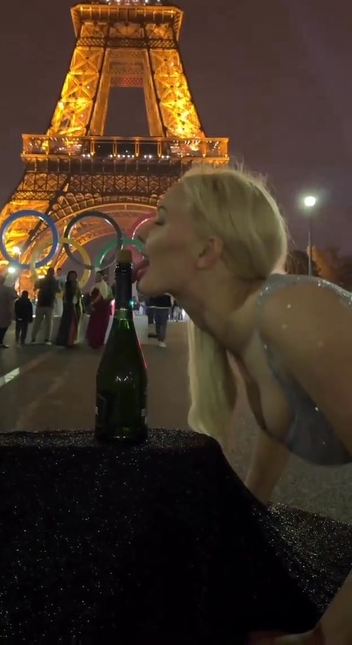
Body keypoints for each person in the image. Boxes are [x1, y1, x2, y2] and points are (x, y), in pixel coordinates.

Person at [135, 164, 352, 645]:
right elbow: (282, 427)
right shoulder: (235, 331)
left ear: (206, 250)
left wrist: (322, 638)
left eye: (161, 219)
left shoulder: (291, 314)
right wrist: (243, 525)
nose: (143, 230)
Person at [31, 267, 60, 345]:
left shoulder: (42, 281)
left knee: (38, 322)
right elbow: (59, 290)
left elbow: (35, 287)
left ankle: (34, 338)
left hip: (42, 303)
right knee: (48, 323)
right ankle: (46, 339)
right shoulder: (54, 281)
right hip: (49, 304)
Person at [85, 271, 111, 349]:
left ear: (102, 277)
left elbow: (100, 296)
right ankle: (92, 341)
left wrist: (92, 303)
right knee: (93, 324)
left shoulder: (103, 284)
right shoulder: (96, 285)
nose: (97, 277)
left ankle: (97, 342)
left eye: (99, 276)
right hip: (95, 306)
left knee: (98, 324)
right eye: (96, 276)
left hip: (100, 307)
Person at [55, 271, 82, 348]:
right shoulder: (66, 284)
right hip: (68, 306)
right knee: (66, 323)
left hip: (75, 306)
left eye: (74, 276)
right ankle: (65, 340)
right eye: (71, 275)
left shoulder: (77, 285)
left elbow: (79, 294)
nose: (73, 277)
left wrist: (76, 298)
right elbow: (65, 295)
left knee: (73, 323)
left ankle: (71, 340)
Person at [0, 275, 17, 348]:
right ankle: (0, 342)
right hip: (6, 310)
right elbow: (15, 296)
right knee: (4, 327)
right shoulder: (8, 289)